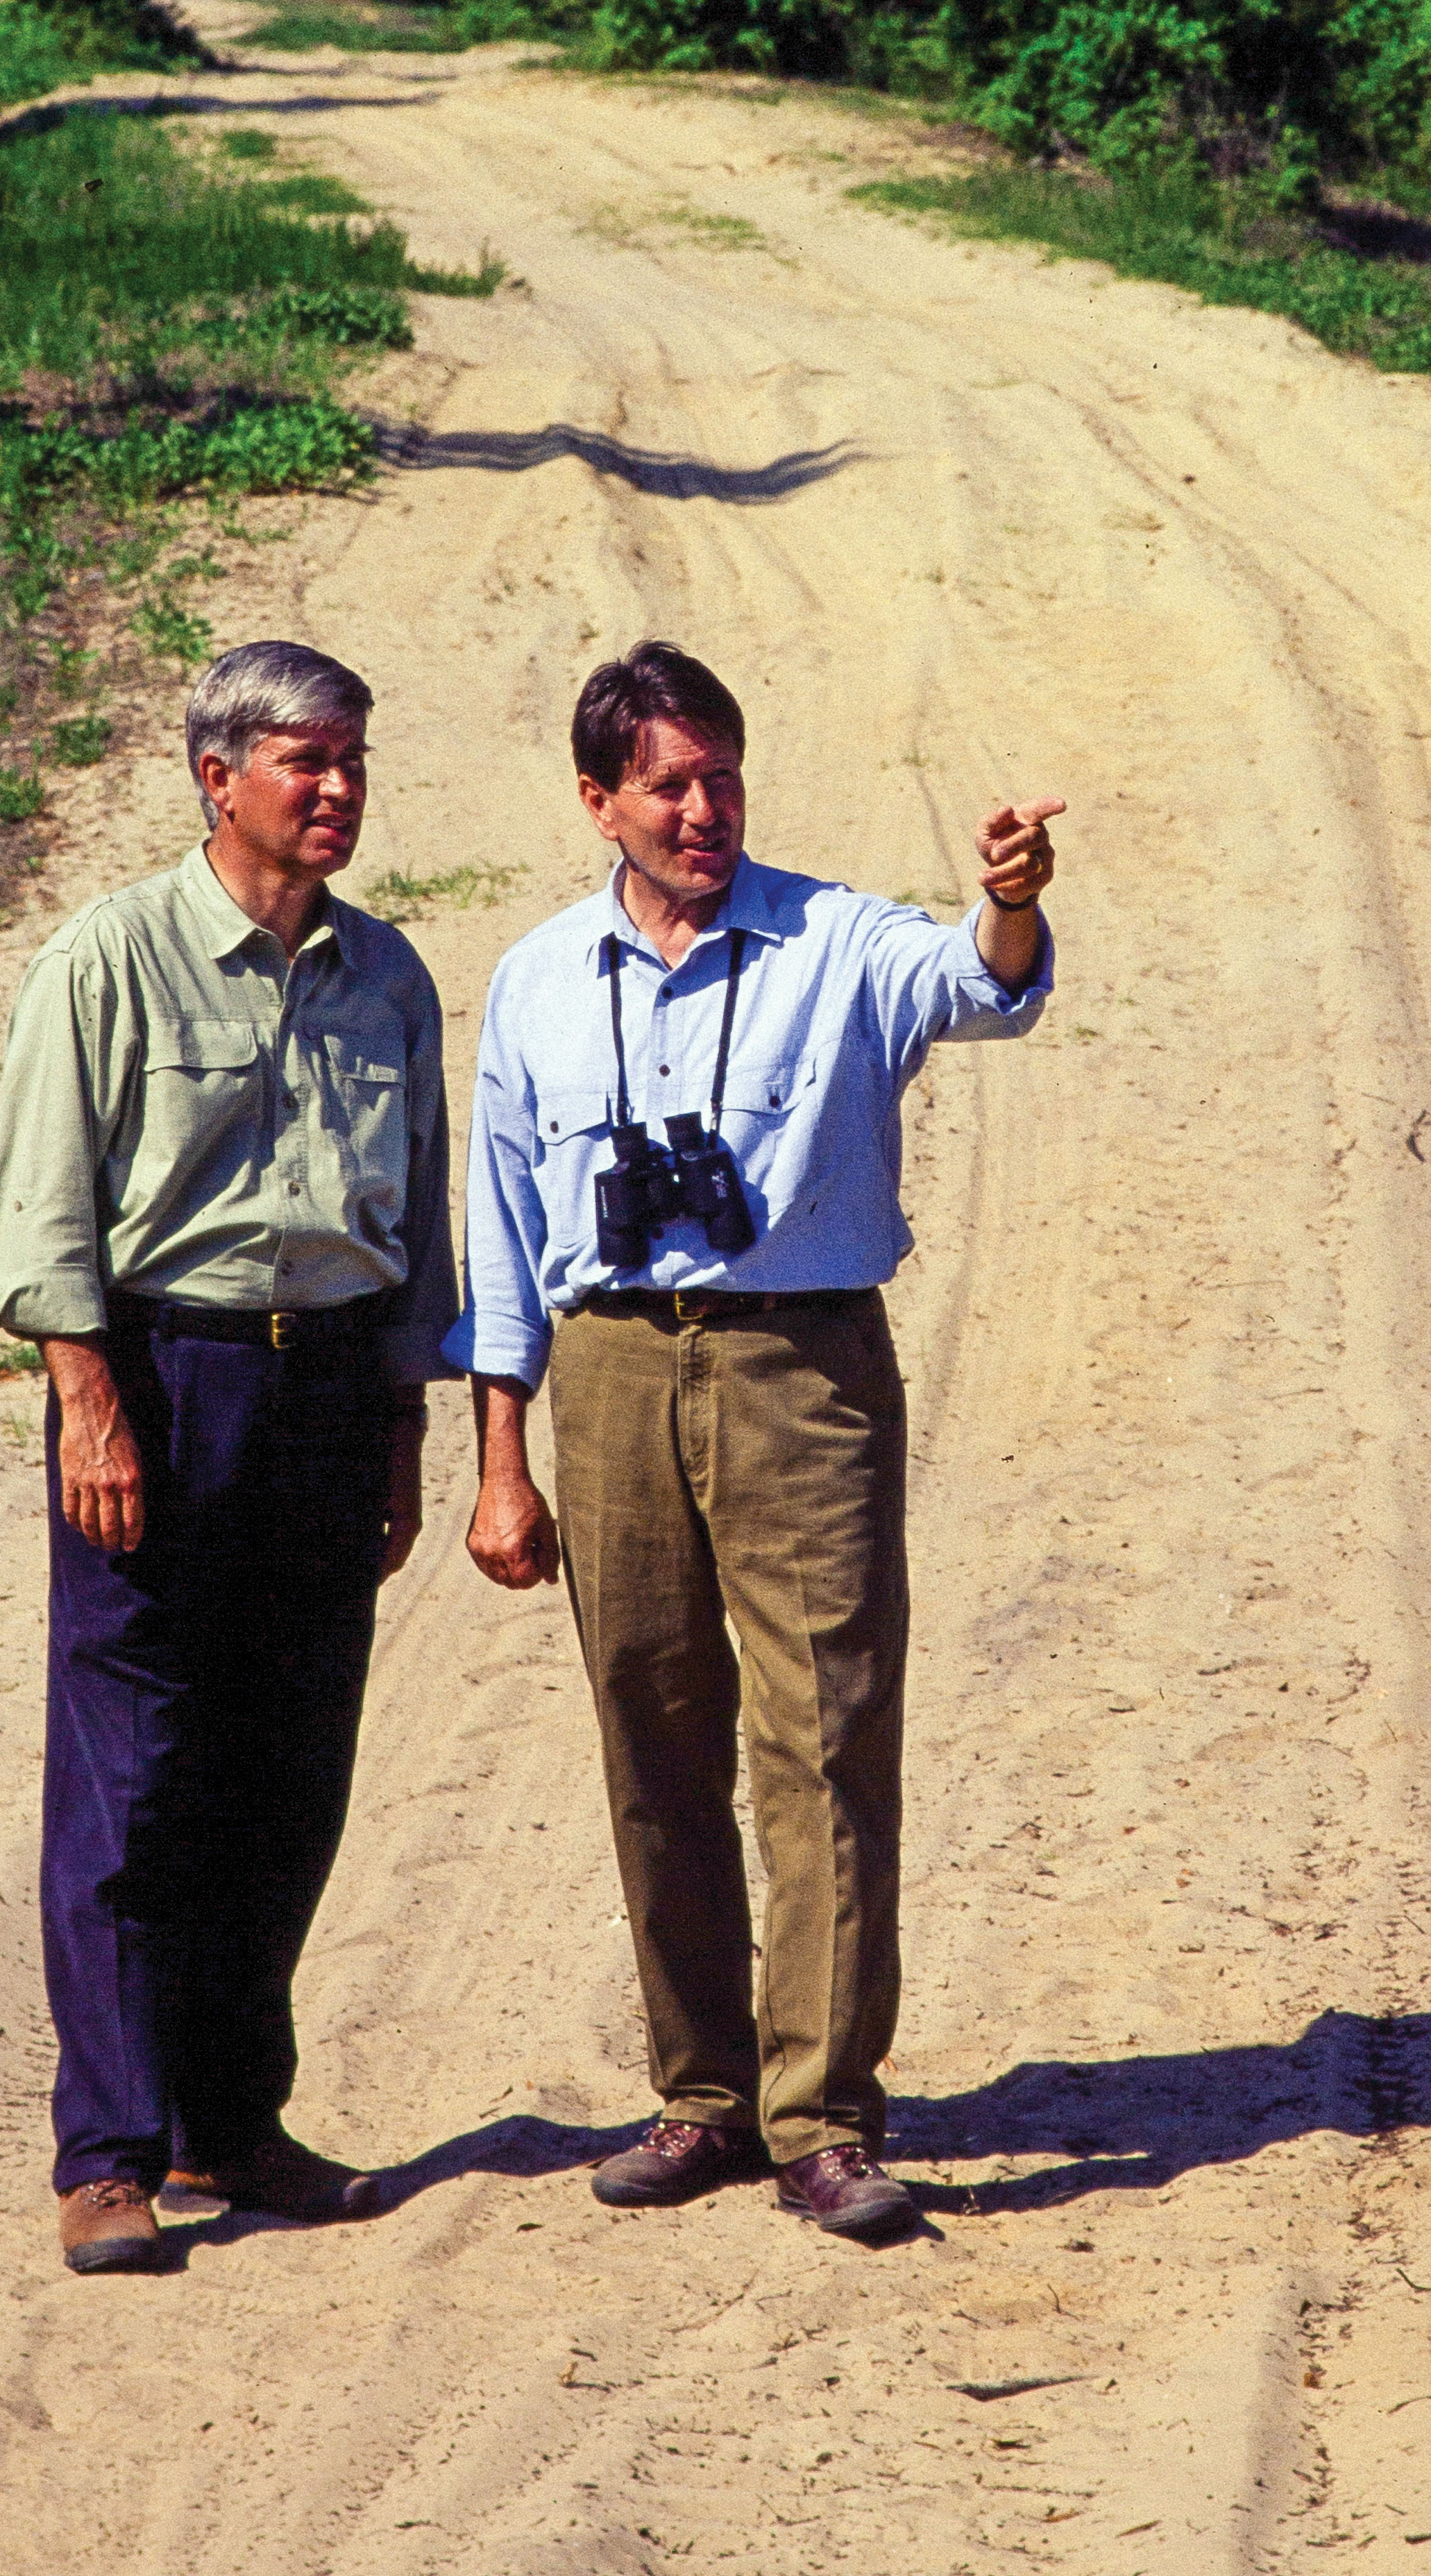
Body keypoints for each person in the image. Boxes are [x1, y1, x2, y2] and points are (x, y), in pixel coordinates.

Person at [457, 638, 1060, 2244]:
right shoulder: (534, 981)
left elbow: (980, 987)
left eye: (721, 776)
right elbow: (502, 1238)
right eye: (666, 784)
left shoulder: (838, 938)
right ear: (600, 801)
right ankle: (699, 2095)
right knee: (649, 1733)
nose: (703, 807)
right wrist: (499, 1461)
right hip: (608, 1376)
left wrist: (1003, 896)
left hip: (800, 1371)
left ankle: (824, 2117)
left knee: (823, 1738)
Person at [0, 638, 457, 2276]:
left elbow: (416, 1230)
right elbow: (41, 1211)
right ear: (213, 773)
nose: (335, 791)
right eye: (303, 760)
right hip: (161, 1391)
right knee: (132, 1782)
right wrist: (88, 1403)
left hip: (322, 1393)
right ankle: (107, 2156)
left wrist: (400, 1421)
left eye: (353, 760)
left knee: (286, 1776)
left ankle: (229, 2126)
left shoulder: (385, 978)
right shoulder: (105, 962)